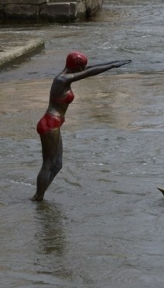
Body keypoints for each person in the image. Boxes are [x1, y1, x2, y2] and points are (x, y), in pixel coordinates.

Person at [32, 52, 131, 202]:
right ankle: (38, 197)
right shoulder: (62, 79)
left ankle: (40, 196)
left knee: (57, 165)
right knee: (48, 163)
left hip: (55, 123)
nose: (83, 69)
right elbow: (88, 73)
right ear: (76, 67)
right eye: (81, 67)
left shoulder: (68, 74)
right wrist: (111, 66)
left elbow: (88, 69)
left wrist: (113, 60)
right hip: (49, 123)